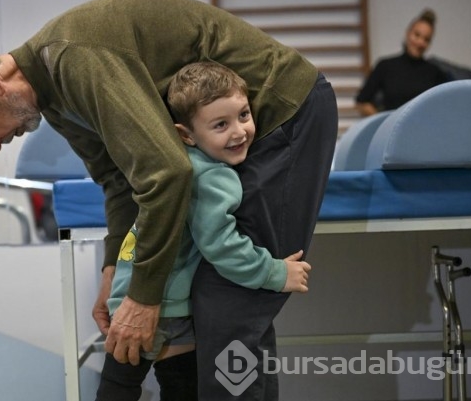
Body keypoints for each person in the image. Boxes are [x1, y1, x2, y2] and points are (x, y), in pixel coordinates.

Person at [0, 0, 338, 399]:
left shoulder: (75, 59)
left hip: (283, 110)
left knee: (227, 292)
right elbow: (119, 180)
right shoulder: (56, 99)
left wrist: (143, 297)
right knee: (225, 299)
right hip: (229, 135)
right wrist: (115, 269)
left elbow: (166, 173)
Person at [97, 62, 313, 401]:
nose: (239, 132)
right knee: (179, 389)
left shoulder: (174, 159)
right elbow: (222, 246)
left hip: (130, 294)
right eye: (220, 125)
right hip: (168, 307)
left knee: (118, 386)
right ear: (186, 134)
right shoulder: (213, 177)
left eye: (243, 115)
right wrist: (274, 272)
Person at [355, 8, 449, 116]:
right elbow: (361, 102)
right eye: (417, 35)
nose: (420, 42)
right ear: (408, 33)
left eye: (426, 39)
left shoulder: (435, 72)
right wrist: (383, 122)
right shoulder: (385, 66)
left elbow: (447, 103)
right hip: (392, 130)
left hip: (424, 129)